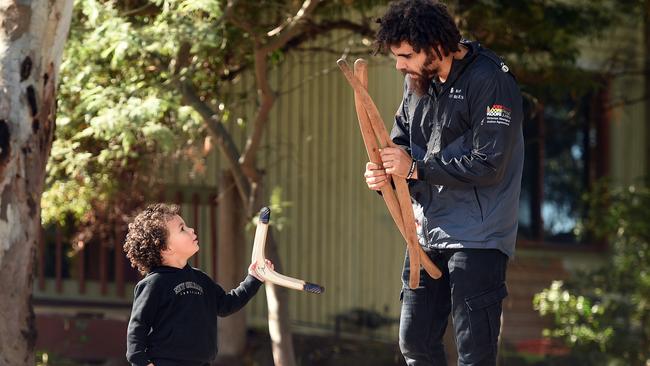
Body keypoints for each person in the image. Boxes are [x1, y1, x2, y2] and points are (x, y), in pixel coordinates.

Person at [364, 1, 524, 365]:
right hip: (423, 231)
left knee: (474, 355)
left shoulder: (490, 80)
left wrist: (415, 169)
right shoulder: (415, 83)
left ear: (435, 46)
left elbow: (489, 164)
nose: (399, 65)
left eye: (405, 55)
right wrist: (382, 175)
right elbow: (398, 147)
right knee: (414, 343)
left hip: (478, 237)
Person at [123, 203, 271, 366]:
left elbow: (227, 304)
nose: (191, 230)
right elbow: (137, 328)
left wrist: (254, 278)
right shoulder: (154, 284)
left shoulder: (201, 279)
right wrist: (142, 362)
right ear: (166, 248)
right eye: (182, 229)